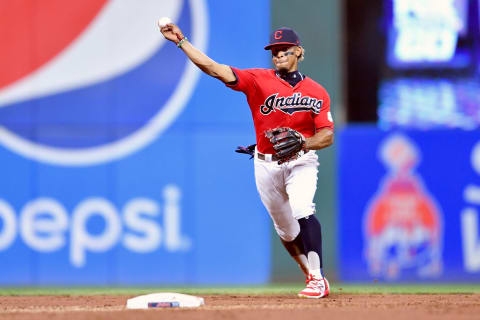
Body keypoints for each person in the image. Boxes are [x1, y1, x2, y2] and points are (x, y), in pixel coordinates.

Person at [160, 23, 334, 298]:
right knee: (286, 231)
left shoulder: (317, 91)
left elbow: (326, 136)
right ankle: (308, 271)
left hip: (302, 160)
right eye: (274, 51)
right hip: (265, 164)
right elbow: (214, 69)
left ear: (299, 51)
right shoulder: (258, 79)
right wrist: (182, 42)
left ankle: (317, 277)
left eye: (284, 50)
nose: (277, 55)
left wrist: (304, 142)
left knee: (303, 209)